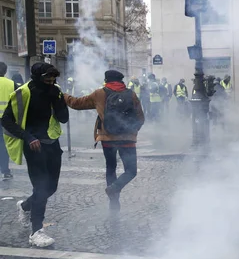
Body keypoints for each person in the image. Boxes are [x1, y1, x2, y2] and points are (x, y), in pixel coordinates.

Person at [2, 63, 69, 247]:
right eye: (48, 78)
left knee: (51, 188)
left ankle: (25, 206)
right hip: (34, 146)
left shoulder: (55, 90)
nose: (51, 81)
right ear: (38, 76)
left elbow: (63, 118)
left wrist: (58, 100)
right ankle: (36, 231)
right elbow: (6, 120)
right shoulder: (23, 92)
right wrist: (28, 137)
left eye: (54, 78)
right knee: (41, 187)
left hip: (52, 144)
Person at [63, 70, 144, 210]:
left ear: (106, 80)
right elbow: (140, 117)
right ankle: (115, 188)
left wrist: (62, 95)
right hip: (128, 138)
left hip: (107, 138)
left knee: (111, 168)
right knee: (131, 171)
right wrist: (132, 131)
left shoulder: (99, 93)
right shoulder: (131, 94)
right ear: (121, 81)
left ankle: (114, 201)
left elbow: (76, 104)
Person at [0, 62, 17, 180]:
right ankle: (5, 170)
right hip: (6, 120)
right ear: (5, 71)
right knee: (3, 145)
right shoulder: (11, 84)